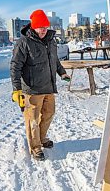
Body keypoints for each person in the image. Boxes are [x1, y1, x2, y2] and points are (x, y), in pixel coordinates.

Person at [10, 9, 71, 161]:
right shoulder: (23, 43)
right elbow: (15, 66)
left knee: (49, 114)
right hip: (31, 89)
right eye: (40, 27)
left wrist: (62, 72)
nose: (43, 30)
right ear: (33, 27)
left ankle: (42, 139)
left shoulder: (51, 40)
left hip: (48, 87)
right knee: (33, 120)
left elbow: (54, 60)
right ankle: (35, 147)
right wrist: (16, 89)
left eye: (45, 27)